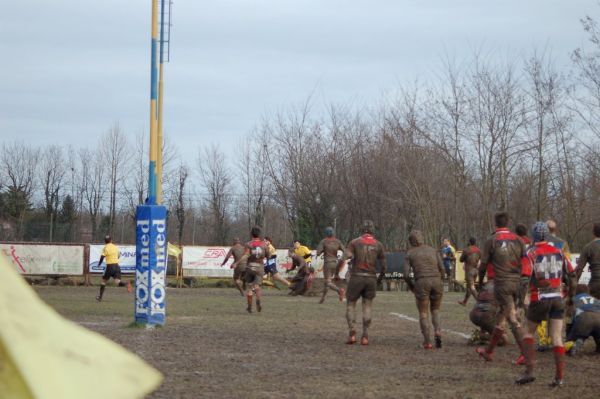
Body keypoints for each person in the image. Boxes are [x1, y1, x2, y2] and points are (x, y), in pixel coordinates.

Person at [515, 222, 576, 387]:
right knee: (557, 337)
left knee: (527, 333)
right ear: (547, 235)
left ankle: (529, 372)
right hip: (558, 298)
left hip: (540, 298)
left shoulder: (530, 253)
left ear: (533, 235)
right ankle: (559, 377)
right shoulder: (559, 252)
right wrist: (570, 296)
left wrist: (521, 301)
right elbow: (572, 274)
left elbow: (524, 279)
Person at [475, 212, 530, 363]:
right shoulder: (519, 240)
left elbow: (483, 264)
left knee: (512, 318)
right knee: (501, 317)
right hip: (517, 282)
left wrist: (480, 282)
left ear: (495, 223)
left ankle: (525, 354)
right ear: (508, 223)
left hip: (502, 283)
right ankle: (489, 352)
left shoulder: (491, 240)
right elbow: (526, 262)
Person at [344, 220, 386, 346]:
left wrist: (337, 272)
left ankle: (352, 333)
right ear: (373, 230)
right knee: (367, 306)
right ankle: (365, 336)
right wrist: (379, 280)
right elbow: (384, 267)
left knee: (351, 304)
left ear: (361, 229)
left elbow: (346, 257)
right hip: (371, 278)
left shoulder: (354, 242)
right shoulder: (379, 245)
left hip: (356, 277)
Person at [404, 230, 445, 349]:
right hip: (437, 281)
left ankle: (427, 342)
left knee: (423, 313)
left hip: (422, 281)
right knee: (435, 310)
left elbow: (406, 275)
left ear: (411, 241)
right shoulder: (433, 250)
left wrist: (412, 286)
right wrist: (440, 280)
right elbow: (442, 268)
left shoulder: (410, 253)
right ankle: (437, 330)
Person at [233, 226, 273, 313]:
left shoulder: (248, 244)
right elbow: (269, 256)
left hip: (250, 267)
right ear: (259, 234)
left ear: (251, 234)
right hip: (259, 267)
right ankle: (258, 300)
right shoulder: (264, 244)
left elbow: (245, 255)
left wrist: (236, 263)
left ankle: (249, 307)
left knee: (250, 287)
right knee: (257, 286)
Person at [469, 280, 508, 346]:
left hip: (474, 315)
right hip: (486, 317)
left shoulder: (489, 283)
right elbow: (505, 309)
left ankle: (482, 334)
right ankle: (480, 336)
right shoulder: (507, 285)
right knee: (503, 340)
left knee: (489, 313)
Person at [566, 284, 600, 356]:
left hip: (584, 317)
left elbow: (569, 320)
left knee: (575, 337)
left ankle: (577, 341)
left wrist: (569, 337)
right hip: (598, 317)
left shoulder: (574, 299)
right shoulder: (596, 299)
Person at [96, 235, 132, 302]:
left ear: (105, 241)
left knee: (103, 281)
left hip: (110, 266)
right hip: (117, 266)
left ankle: (100, 297)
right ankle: (126, 284)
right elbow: (118, 256)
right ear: (111, 240)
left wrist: (99, 264)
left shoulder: (105, 247)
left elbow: (102, 257)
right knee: (117, 282)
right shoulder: (115, 247)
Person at [315, 227, 346, 304]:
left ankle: (340, 291)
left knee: (327, 282)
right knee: (328, 282)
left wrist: (322, 250)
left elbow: (318, 252)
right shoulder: (337, 241)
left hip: (328, 264)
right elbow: (345, 251)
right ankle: (322, 299)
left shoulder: (324, 241)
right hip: (335, 263)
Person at [576, 222, 600, 299]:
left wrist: (572, 287)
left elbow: (578, 270)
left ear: (593, 233)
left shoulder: (588, 247)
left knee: (592, 308)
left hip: (595, 284)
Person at [458, 237, 481, 306]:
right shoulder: (479, 250)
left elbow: (461, 260)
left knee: (471, 287)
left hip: (469, 271)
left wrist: (465, 260)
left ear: (469, 242)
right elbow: (480, 259)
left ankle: (479, 301)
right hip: (476, 270)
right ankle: (464, 302)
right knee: (469, 287)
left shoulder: (466, 250)